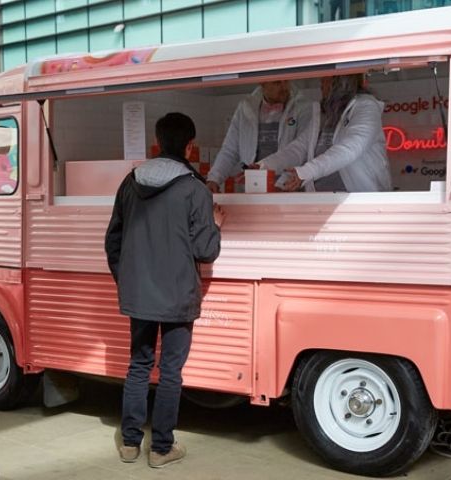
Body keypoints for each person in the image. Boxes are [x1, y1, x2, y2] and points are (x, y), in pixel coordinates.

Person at [105, 113, 224, 468]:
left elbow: (113, 241)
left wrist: (127, 279)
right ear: (190, 146)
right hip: (177, 296)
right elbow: (206, 250)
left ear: (156, 145)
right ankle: (161, 448)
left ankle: (129, 443)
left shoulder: (130, 182)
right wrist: (216, 225)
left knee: (139, 364)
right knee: (170, 371)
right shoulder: (195, 188)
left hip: (139, 294)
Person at [258, 74, 392, 193]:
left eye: (325, 79)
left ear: (339, 81)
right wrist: (263, 166)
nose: (320, 84)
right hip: (321, 200)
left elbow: (350, 148)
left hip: (360, 200)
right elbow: (298, 148)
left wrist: (306, 172)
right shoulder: (323, 114)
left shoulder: (366, 106)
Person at [205, 80, 311, 193]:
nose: (284, 87)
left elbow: (300, 152)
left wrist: (282, 185)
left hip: (288, 190)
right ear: (262, 83)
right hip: (252, 190)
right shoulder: (246, 107)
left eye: (286, 82)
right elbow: (229, 150)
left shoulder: (303, 107)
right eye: (277, 83)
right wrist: (214, 179)